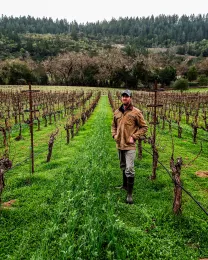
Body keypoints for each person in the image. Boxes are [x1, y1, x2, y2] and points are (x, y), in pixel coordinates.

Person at [111, 89, 148, 204]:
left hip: (130, 146)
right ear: (121, 98)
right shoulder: (117, 112)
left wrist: (134, 136)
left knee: (130, 169)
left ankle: (129, 194)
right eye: (123, 96)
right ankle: (124, 186)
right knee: (123, 166)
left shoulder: (136, 112)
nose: (124, 98)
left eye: (127, 96)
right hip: (119, 144)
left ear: (130, 98)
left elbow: (144, 127)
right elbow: (113, 125)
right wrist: (114, 135)